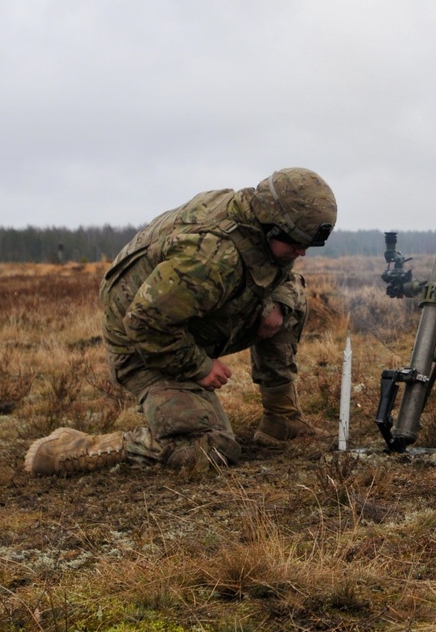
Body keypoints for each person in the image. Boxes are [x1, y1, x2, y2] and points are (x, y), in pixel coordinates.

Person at [24, 167, 337, 475]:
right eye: (296, 242)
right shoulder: (211, 258)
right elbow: (144, 324)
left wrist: (278, 301)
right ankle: (71, 449)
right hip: (144, 343)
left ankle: (281, 420)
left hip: (184, 319)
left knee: (291, 299)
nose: (302, 252)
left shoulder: (256, 222)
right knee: (207, 448)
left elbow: (278, 268)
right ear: (271, 225)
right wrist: (199, 367)